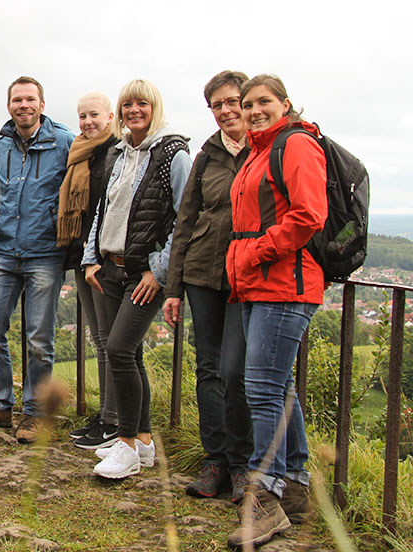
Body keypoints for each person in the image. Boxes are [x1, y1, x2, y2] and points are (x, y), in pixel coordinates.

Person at [225, 74, 326, 549]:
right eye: (248, 104)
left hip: (286, 284)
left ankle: (263, 498)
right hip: (258, 284)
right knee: (277, 388)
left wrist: (255, 253)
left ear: (284, 104)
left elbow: (308, 215)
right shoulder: (257, 152)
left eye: (264, 102)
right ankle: (297, 486)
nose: (254, 110)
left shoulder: (296, 145)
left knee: (262, 390)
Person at [81, 79, 190, 479]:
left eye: (141, 104)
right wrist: (92, 258)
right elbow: (103, 210)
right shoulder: (118, 153)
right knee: (129, 353)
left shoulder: (172, 153)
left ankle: (125, 443)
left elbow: (184, 218)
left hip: (143, 273)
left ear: (154, 107)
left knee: (119, 348)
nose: (133, 111)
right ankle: (142, 440)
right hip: (110, 267)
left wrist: (157, 270)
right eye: (127, 105)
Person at [0, 76, 73, 444]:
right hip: (5, 251)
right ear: (9, 105)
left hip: (45, 252)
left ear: (42, 104)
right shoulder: (0, 145)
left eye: (30, 99)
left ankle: (36, 414)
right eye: (17, 100)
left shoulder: (64, 141)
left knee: (39, 340)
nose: (23, 105)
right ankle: (0, 404)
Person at [163, 71, 254, 502]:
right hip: (202, 272)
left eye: (232, 101)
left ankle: (242, 465)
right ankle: (214, 460)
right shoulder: (207, 155)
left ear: (247, 101)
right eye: (217, 105)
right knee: (208, 368)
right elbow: (185, 221)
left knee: (237, 373)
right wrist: (174, 287)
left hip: (248, 277)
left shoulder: (266, 148)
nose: (226, 110)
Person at [59, 92, 122, 450]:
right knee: (100, 340)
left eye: (94, 115)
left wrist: (94, 255)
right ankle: (106, 416)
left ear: (110, 116)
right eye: (82, 116)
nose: (87, 122)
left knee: (109, 342)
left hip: (100, 260)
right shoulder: (81, 152)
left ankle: (113, 420)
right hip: (80, 256)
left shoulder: (115, 153)